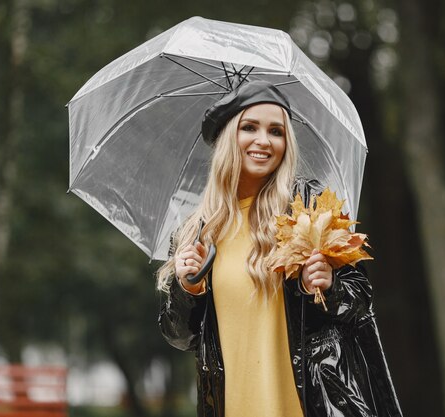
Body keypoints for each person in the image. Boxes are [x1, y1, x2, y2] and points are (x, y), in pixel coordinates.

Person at [157, 80, 402, 417]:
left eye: (276, 131)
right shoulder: (198, 233)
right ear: (228, 137)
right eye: (249, 127)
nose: (263, 140)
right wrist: (187, 287)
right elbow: (179, 335)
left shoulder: (309, 210)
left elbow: (360, 303)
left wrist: (327, 287)